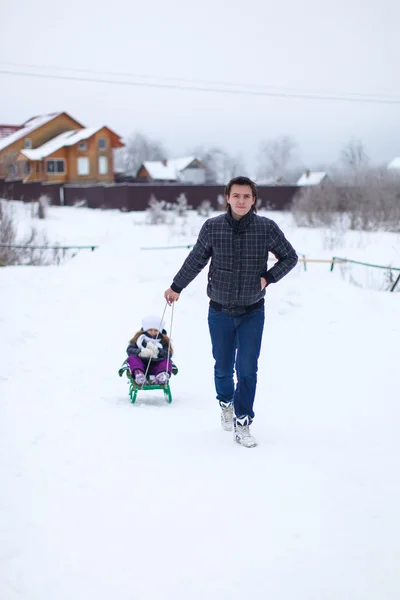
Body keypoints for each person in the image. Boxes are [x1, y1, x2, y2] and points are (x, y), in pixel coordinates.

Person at [164, 176, 298, 448]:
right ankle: (226, 403)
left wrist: (268, 278)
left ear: (253, 199)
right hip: (220, 311)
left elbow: (290, 256)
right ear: (227, 197)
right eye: (236, 195)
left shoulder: (266, 228)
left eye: (246, 196)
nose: (240, 201)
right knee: (224, 368)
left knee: (247, 370)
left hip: (252, 311)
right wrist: (176, 286)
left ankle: (243, 421)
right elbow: (196, 259)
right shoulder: (213, 227)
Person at [121, 315, 174, 386]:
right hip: (142, 365)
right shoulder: (139, 339)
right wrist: (140, 352)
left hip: (156, 366)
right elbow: (130, 350)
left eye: (156, 330)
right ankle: (139, 375)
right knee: (132, 359)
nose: (153, 332)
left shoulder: (163, 340)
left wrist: (158, 352)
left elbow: (169, 354)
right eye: (150, 330)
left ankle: (162, 376)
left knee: (167, 361)